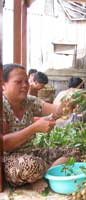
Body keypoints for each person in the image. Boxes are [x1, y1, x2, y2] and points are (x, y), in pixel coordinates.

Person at [2, 64, 79, 192]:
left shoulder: (29, 101)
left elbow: (58, 110)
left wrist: (73, 98)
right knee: (31, 165)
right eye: (18, 82)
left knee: (73, 152)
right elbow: (4, 144)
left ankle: (44, 175)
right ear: (3, 84)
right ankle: (41, 173)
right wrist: (34, 128)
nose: (25, 85)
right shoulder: (2, 105)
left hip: (31, 152)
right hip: (8, 160)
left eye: (26, 81)